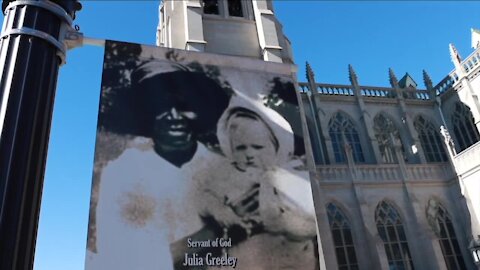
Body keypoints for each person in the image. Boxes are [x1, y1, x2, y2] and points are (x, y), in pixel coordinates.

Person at [91, 60, 231, 270]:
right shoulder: (123, 172)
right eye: (161, 107)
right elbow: (120, 256)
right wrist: (214, 230)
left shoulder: (224, 168)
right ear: (144, 116)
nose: (174, 116)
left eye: (183, 105)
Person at [193, 93, 319, 270]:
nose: (249, 154)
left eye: (258, 147)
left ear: (277, 146)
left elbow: (308, 226)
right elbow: (203, 199)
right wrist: (221, 212)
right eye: (240, 147)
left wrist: (281, 220)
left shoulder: (292, 177)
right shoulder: (228, 175)